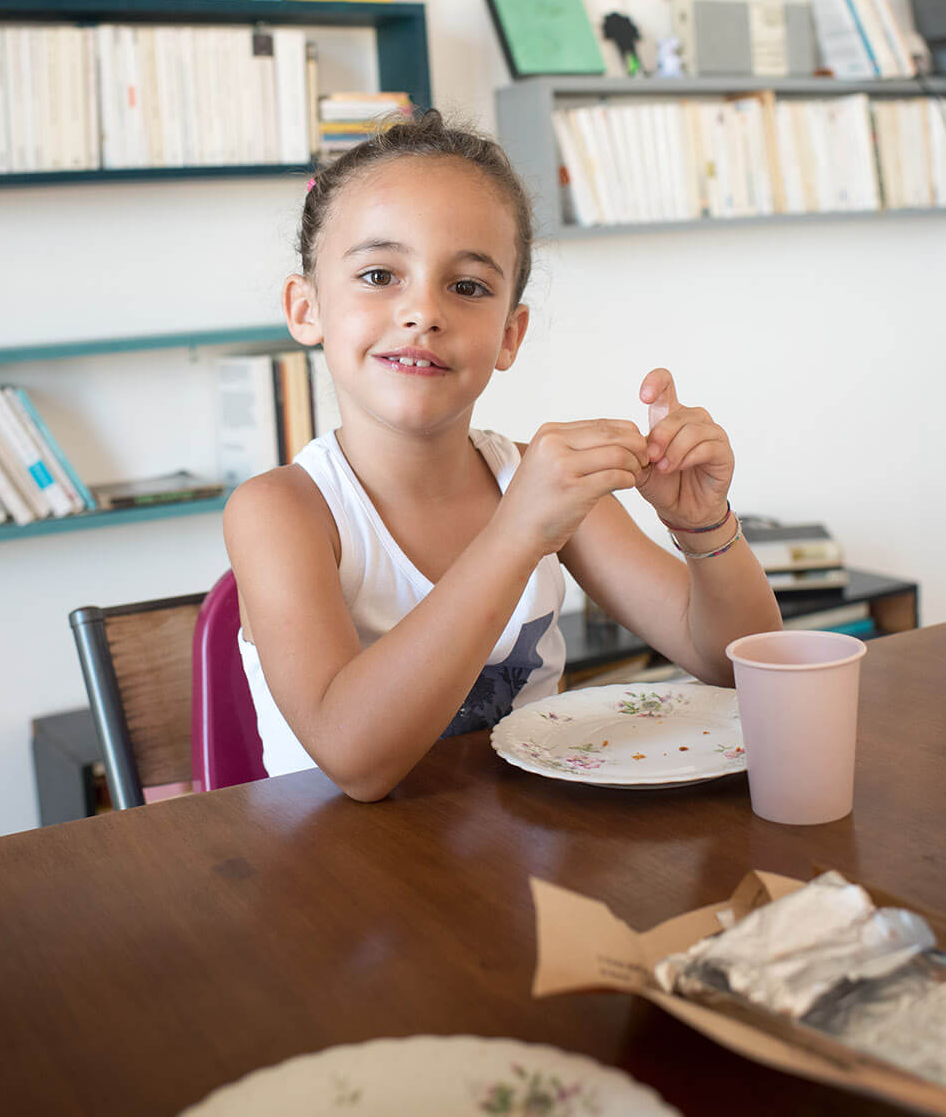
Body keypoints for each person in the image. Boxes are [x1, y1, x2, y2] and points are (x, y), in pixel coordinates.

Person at [223, 111, 781, 800]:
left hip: (520, 866)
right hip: (339, 879)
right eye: (378, 273)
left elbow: (739, 665)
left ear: (510, 334)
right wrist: (518, 532)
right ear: (305, 308)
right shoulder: (279, 511)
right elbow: (354, 759)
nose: (423, 310)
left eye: (468, 287)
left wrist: (703, 524)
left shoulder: (537, 485)